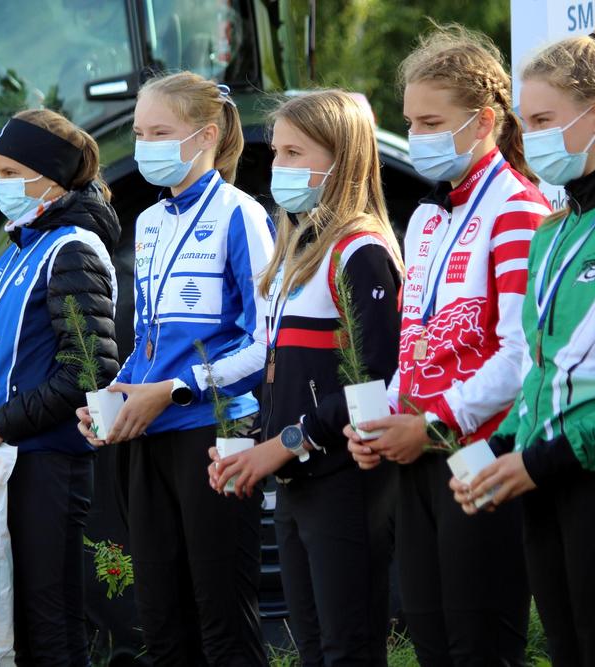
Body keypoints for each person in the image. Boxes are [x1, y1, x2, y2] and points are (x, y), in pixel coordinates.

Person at [450, 25, 595, 666]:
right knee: (565, 650)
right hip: (547, 478)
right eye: (524, 122)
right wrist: (499, 449)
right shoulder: (551, 232)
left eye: (543, 120)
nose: (528, 138)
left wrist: (546, 459)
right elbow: (544, 373)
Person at [344, 23, 550, 665]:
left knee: (478, 645)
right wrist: (384, 417)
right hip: (418, 457)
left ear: (484, 120)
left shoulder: (519, 209)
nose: (417, 137)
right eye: (411, 122)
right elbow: (416, 343)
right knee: (431, 641)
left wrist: (433, 425)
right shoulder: (428, 218)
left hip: (481, 454)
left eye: (432, 123)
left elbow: (522, 357)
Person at [76, 72, 274, 666]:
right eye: (139, 133)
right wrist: (118, 391)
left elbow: (263, 344)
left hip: (215, 434)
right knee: (161, 623)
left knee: (223, 622)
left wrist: (176, 389)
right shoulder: (149, 222)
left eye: (159, 133)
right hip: (148, 435)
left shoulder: (241, 214)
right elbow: (148, 339)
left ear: (206, 135)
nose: (145, 146)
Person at [209, 89, 403, 666]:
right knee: (313, 647)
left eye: (295, 153)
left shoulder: (360, 251)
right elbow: (286, 376)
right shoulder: (297, 252)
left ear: (341, 160)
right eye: (277, 153)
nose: (279, 167)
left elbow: (375, 382)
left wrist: (286, 443)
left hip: (345, 478)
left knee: (348, 648)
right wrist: (252, 446)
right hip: (298, 481)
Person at [0, 109, 120, 666]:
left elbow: (88, 371)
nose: (2, 186)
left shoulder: (73, 249)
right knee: (14, 626)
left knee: (51, 622)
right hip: (2, 460)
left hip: (48, 464)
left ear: (52, 177)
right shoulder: (17, 249)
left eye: (12, 173)